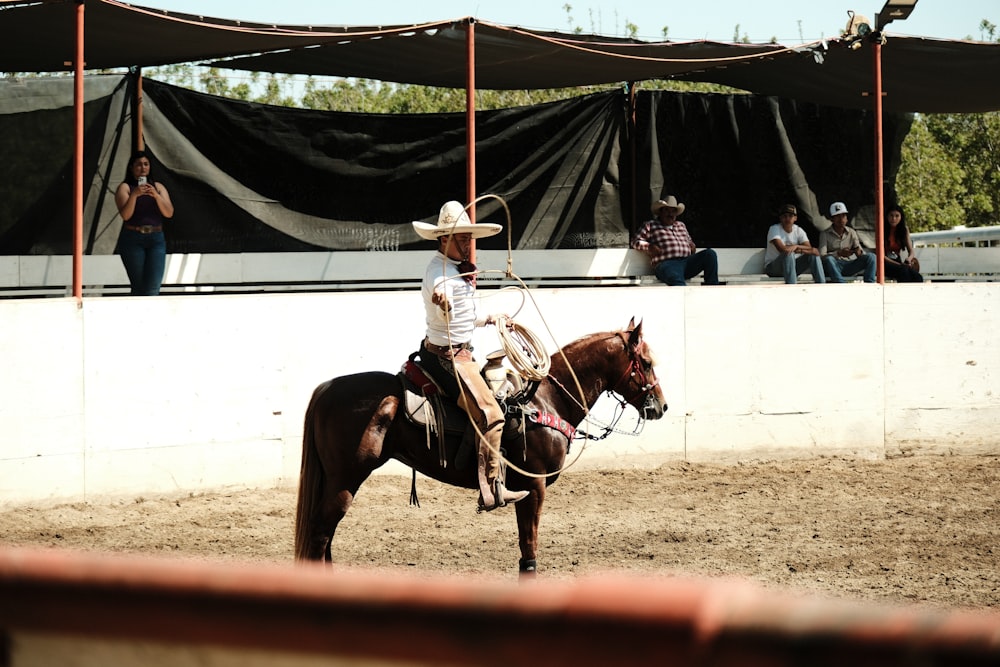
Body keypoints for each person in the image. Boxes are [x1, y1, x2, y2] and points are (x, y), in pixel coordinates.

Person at [412, 201, 530, 512]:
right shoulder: (438, 274)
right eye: (461, 238)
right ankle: (492, 488)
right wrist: (443, 304)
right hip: (446, 358)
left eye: (468, 238)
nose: (467, 244)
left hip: (460, 352)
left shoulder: (453, 270)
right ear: (443, 240)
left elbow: (464, 315)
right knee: (492, 414)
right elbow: (442, 298)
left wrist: (490, 318)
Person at [115, 150, 174, 295]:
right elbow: (126, 215)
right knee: (139, 286)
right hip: (133, 237)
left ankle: (149, 316)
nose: (143, 168)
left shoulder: (158, 187)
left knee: (153, 286)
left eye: (146, 164)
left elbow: (169, 213)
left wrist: (155, 196)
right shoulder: (125, 188)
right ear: (132, 167)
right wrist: (135, 195)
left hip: (156, 238)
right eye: (139, 165)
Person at [631, 195, 720, 286]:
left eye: (673, 211)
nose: (671, 214)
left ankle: (712, 291)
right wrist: (649, 247)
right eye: (667, 210)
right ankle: (685, 298)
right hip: (666, 264)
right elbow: (635, 241)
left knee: (710, 254)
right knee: (676, 278)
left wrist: (691, 245)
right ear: (660, 212)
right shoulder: (651, 225)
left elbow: (689, 240)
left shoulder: (681, 225)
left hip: (686, 262)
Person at [764, 203, 826, 284]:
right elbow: (782, 249)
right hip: (773, 268)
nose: (787, 218)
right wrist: (799, 249)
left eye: (790, 216)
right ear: (780, 218)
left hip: (792, 267)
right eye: (784, 216)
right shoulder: (774, 229)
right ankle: (792, 287)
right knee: (788, 254)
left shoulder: (798, 230)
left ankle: (821, 285)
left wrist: (795, 246)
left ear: (795, 218)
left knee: (813, 255)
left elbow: (810, 248)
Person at [819, 202, 876, 283]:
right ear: (832, 219)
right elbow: (822, 256)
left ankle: (869, 284)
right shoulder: (825, 234)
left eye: (843, 216)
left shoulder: (851, 232)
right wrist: (838, 253)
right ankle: (841, 284)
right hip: (834, 265)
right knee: (829, 259)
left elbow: (859, 252)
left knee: (871, 257)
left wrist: (858, 252)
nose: (841, 219)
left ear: (847, 218)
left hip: (849, 265)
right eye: (837, 216)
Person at [883, 204, 923, 282]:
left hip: (898, 262)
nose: (894, 219)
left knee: (917, 277)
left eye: (897, 216)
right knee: (903, 272)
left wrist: (909, 259)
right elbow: (881, 255)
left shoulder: (904, 230)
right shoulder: (882, 229)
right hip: (885, 263)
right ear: (887, 216)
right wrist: (901, 265)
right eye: (891, 215)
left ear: (901, 217)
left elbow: (911, 251)